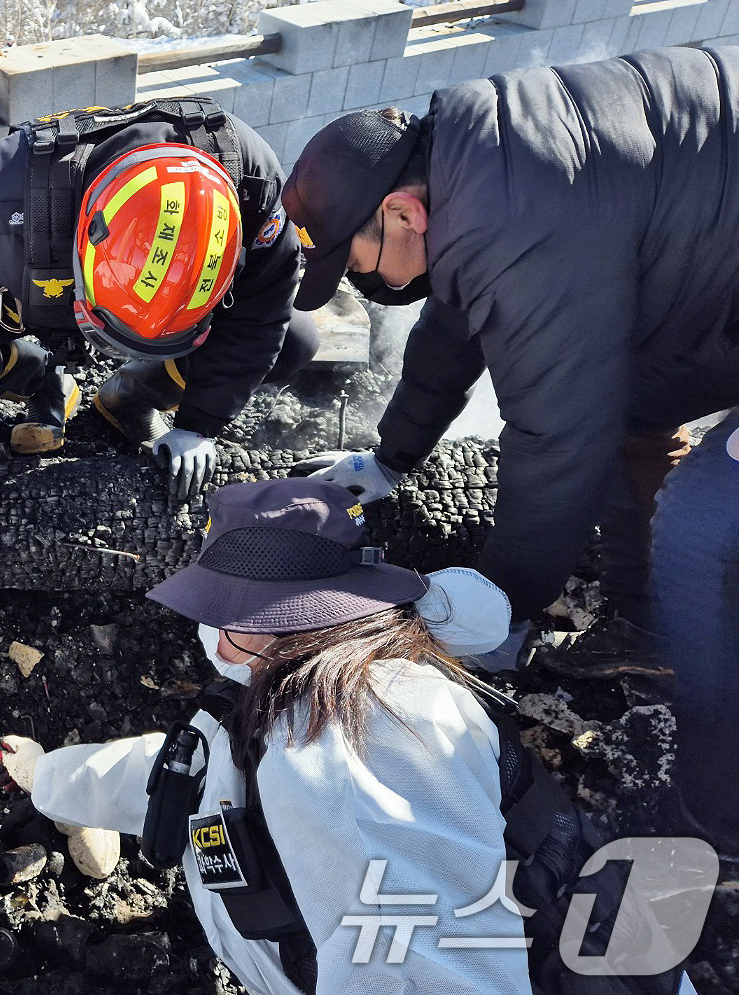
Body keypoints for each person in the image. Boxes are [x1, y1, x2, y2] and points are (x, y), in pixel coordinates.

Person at [278, 48, 739, 849]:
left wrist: (503, 607)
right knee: (627, 400)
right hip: (710, 261)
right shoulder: (475, 167)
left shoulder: (520, 216)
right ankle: (640, 621)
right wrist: (389, 458)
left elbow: (557, 438)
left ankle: (713, 809)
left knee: (709, 527)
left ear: (402, 214)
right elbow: (454, 328)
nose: (365, 287)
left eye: (357, 267)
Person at [26, 479, 701, 994]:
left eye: (218, 611)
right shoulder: (326, 676)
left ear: (264, 624)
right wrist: (43, 776)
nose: (209, 632)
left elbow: (425, 972)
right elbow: (204, 770)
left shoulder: (351, 747)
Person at [0, 96, 319, 501]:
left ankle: (134, 394)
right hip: (24, 291)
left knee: (294, 340)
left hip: (85, 280)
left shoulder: (251, 184)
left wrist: (199, 425)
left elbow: (263, 314)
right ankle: (32, 373)